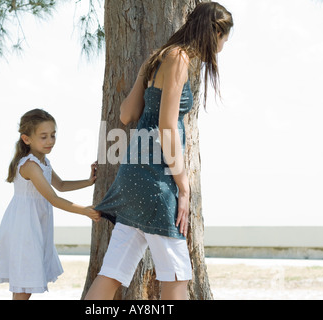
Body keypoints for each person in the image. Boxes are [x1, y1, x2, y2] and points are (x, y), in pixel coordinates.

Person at [85, 2, 233, 300]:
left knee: (112, 273)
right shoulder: (179, 58)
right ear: (215, 31)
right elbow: (166, 126)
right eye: (224, 39)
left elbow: (127, 115)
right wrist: (183, 185)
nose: (222, 46)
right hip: (156, 179)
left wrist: (143, 75)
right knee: (177, 276)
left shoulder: (158, 59)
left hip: (132, 175)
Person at [0, 108, 100, 300]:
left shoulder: (44, 162)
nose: (50, 141)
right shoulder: (30, 166)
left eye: (53, 135)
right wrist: (84, 211)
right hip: (24, 226)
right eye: (43, 137)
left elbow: (60, 185)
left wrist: (88, 181)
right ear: (27, 139)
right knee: (24, 284)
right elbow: (53, 198)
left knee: (26, 282)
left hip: (35, 224)